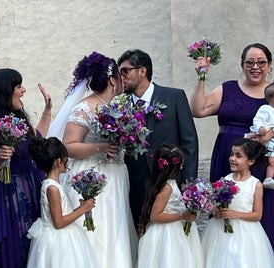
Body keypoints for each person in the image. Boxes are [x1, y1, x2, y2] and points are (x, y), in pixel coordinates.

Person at [191, 43, 274, 268]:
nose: (255, 67)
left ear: (269, 65)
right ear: (242, 65)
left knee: (269, 214)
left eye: (261, 62)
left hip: (266, 158)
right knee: (227, 211)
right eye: (249, 62)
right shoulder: (228, 88)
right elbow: (198, 109)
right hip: (228, 157)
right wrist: (202, 76)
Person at [51, 51, 137, 268]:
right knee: (97, 228)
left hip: (116, 175)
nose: (122, 80)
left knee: (115, 232)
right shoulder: (85, 107)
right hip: (94, 177)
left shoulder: (118, 106)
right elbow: (68, 146)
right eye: (120, 75)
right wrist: (101, 146)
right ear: (111, 79)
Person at [0, 68, 51, 267]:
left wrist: (47, 111)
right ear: (4, 91)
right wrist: (0, 158)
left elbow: (37, 141)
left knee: (34, 246)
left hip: (31, 190)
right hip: (5, 195)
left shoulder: (21, 120)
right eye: (18, 86)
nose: (23, 90)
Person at [117, 49, 199, 229]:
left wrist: (189, 180)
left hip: (172, 181)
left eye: (125, 71)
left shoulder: (174, 96)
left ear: (142, 71)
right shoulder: (119, 105)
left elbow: (189, 141)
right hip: (137, 183)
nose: (121, 76)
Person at [202, 138, 274, 268]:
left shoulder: (255, 184)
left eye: (238, 156)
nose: (232, 158)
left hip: (245, 233)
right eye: (231, 154)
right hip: (220, 230)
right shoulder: (225, 180)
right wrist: (216, 211)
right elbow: (216, 204)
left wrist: (235, 214)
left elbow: (257, 215)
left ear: (251, 161)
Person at [25, 137, 98, 268]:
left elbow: (62, 214)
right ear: (59, 161)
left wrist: (80, 208)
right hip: (58, 241)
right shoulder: (52, 188)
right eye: (66, 159)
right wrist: (83, 209)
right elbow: (58, 223)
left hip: (64, 235)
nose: (67, 162)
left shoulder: (54, 185)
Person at [136, 144, 202, 268]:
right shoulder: (167, 188)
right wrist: (182, 216)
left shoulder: (169, 183)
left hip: (175, 230)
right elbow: (155, 216)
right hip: (167, 234)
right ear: (178, 166)